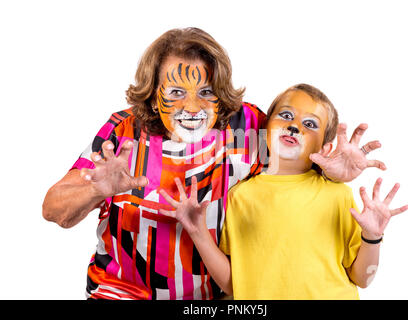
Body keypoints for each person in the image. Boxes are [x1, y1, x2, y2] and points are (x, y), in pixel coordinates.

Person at [42, 27, 386, 300]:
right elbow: (54, 208)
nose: (192, 106)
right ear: (153, 90)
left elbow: (299, 152)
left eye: (206, 92)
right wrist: (96, 188)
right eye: (176, 92)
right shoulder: (126, 131)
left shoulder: (246, 126)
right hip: (122, 293)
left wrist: (331, 170)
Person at [159, 83, 408, 299]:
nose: (294, 126)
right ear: (266, 127)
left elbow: (363, 279)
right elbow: (235, 284)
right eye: (286, 115)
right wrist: (198, 232)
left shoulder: (338, 194)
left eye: (309, 123)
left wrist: (372, 237)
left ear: (325, 146)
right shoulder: (240, 196)